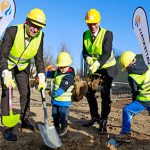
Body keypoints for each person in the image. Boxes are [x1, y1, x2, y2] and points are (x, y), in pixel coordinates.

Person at [0, 8, 47, 141]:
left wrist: (42, 75)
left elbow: (39, 59)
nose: (36, 30)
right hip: (8, 64)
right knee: (6, 92)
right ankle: (7, 127)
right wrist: (5, 72)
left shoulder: (40, 36)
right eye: (33, 26)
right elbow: (2, 54)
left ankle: (25, 120)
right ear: (27, 21)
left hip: (23, 66)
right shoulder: (12, 31)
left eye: (39, 27)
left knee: (25, 92)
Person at [82, 8, 118, 134]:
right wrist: (88, 59)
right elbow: (84, 52)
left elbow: (107, 53)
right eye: (89, 23)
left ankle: (103, 122)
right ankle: (95, 116)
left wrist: (97, 63)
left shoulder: (108, 34)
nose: (92, 26)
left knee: (105, 93)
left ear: (99, 22)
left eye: (94, 23)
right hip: (95, 67)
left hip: (108, 67)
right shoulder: (85, 34)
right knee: (88, 92)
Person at [115, 51, 150, 142]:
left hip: (144, 100)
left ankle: (125, 134)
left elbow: (135, 92)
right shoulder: (148, 67)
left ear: (128, 66)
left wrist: (133, 103)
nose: (126, 70)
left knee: (127, 110)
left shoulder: (132, 76)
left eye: (126, 68)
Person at [46, 51, 75, 137]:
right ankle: (56, 127)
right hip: (55, 101)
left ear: (69, 65)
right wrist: (42, 73)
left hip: (64, 102)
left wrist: (55, 93)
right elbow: (49, 73)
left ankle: (63, 129)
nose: (62, 69)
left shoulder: (69, 76)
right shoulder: (57, 72)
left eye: (64, 67)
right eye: (60, 67)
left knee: (63, 116)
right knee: (55, 115)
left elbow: (63, 88)